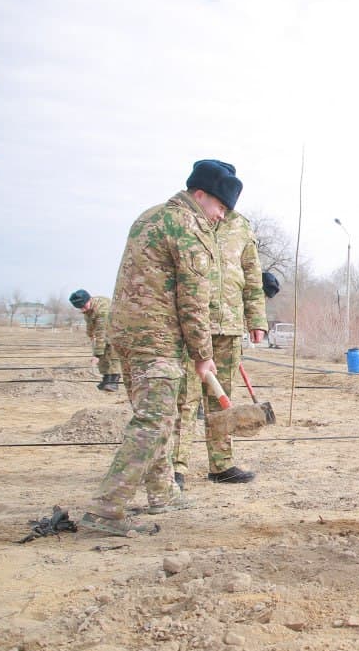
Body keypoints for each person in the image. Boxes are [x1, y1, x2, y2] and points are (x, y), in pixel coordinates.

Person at [78, 158, 240, 536]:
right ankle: (106, 508)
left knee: (160, 416)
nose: (221, 216)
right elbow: (193, 299)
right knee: (153, 421)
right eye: (220, 207)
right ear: (200, 195)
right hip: (158, 339)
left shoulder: (150, 216)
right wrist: (204, 355)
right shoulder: (189, 226)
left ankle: (163, 491)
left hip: (127, 335)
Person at [168, 196, 269, 491]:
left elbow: (252, 277)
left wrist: (257, 319)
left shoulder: (241, 226)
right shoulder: (188, 222)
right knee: (185, 400)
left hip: (229, 325)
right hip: (190, 324)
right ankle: (175, 467)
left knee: (222, 400)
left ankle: (221, 465)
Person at [70, 289, 121, 392]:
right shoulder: (88, 309)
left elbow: (101, 332)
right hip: (103, 332)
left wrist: (97, 355)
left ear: (89, 300)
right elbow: (90, 323)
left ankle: (114, 381)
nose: (83, 310)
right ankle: (106, 379)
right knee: (102, 355)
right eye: (80, 308)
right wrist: (90, 334)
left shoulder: (102, 309)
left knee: (111, 353)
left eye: (84, 306)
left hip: (116, 330)